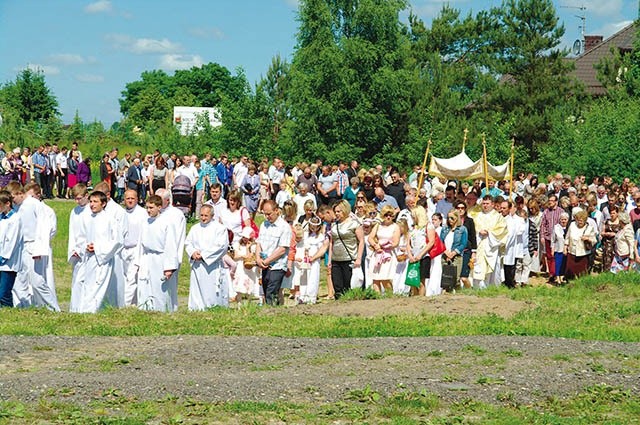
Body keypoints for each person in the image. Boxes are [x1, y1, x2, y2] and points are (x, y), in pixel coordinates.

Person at [6, 182, 59, 311]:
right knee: (19, 281)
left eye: (13, 198)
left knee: (37, 281)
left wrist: (39, 248)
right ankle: (25, 306)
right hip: (20, 248)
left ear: (20, 193)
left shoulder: (34, 204)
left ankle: (53, 308)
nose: (12, 201)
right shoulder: (16, 208)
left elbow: (44, 226)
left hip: (33, 246)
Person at [74, 190, 123, 313]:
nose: (92, 204)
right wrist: (85, 246)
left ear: (104, 203)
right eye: (91, 201)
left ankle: (92, 310)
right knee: (87, 284)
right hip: (88, 258)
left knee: (98, 285)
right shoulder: (87, 218)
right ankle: (84, 309)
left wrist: (98, 248)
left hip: (102, 259)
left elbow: (117, 241)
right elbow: (80, 237)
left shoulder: (110, 220)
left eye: (95, 202)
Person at [137, 195, 180, 312]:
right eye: (147, 208)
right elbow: (140, 243)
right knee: (145, 284)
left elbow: (170, 246)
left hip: (160, 259)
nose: (148, 210)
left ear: (159, 207)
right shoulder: (145, 222)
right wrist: (138, 262)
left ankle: (162, 309)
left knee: (159, 288)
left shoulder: (166, 223)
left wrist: (169, 267)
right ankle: (146, 308)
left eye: (151, 207)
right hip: (147, 258)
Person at [185, 204, 231, 310]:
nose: (203, 218)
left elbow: (221, 246)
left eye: (206, 215)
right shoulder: (195, 228)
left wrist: (204, 255)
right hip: (197, 265)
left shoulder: (220, 229)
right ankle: (196, 308)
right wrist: (193, 253)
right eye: (201, 215)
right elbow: (188, 243)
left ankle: (213, 307)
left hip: (212, 265)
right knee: (197, 289)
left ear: (212, 216)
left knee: (211, 290)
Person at [255, 200, 291, 305]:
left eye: (269, 214)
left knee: (272, 292)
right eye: (265, 214)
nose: (267, 217)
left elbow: (282, 249)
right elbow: (259, 243)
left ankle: (273, 314)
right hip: (264, 265)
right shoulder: (263, 225)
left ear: (276, 211)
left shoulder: (284, 227)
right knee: (266, 292)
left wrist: (266, 261)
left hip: (277, 266)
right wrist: (258, 259)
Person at [329, 200, 365, 297]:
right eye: (335, 211)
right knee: (337, 286)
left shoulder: (354, 224)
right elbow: (331, 242)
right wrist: (329, 260)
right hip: (336, 259)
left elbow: (361, 241)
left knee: (348, 285)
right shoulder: (334, 225)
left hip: (349, 258)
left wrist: (358, 258)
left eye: (339, 211)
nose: (336, 214)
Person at [472, 195, 508, 289]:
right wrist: (478, 231)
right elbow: (472, 229)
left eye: (487, 204)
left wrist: (489, 232)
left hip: (491, 246)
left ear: (492, 204)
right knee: (478, 265)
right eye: (483, 203)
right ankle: (478, 287)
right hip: (479, 244)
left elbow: (502, 230)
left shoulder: (498, 217)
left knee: (492, 267)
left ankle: (491, 287)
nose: (485, 206)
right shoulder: (477, 216)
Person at [67, 184, 91, 312]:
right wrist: (73, 249)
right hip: (77, 251)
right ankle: (75, 308)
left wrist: (84, 248)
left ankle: (83, 308)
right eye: (75, 199)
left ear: (86, 196)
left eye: (80, 198)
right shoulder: (74, 211)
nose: (77, 201)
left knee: (84, 280)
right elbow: (72, 232)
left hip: (87, 250)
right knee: (76, 280)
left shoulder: (90, 211)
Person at [122, 189, 148, 306]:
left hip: (136, 248)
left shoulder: (142, 213)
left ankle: (124, 304)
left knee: (132, 278)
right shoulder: (121, 213)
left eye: (132, 198)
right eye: (128, 198)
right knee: (124, 276)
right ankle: (133, 302)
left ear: (137, 199)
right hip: (123, 249)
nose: (130, 201)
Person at [369, 204, 400, 294]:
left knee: (385, 278)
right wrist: (375, 246)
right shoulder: (378, 225)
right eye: (386, 215)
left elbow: (395, 242)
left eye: (390, 215)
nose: (388, 217)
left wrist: (385, 246)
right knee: (375, 279)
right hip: (377, 254)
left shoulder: (395, 226)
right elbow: (370, 238)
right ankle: (377, 299)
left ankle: (390, 297)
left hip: (388, 255)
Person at [0, 190, 22, 308]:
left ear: (7, 204)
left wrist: (3, 257)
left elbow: (12, 241)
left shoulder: (15, 219)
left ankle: (8, 309)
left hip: (8, 262)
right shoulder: (2, 218)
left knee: (3, 293)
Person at [564, 210, 597, 280]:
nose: (580, 222)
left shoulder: (589, 228)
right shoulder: (572, 225)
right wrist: (565, 247)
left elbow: (594, 240)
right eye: (578, 220)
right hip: (572, 252)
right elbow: (567, 237)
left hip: (583, 253)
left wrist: (587, 239)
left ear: (585, 220)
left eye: (581, 220)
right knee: (570, 270)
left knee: (581, 273)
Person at [440, 210, 468, 290]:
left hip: (456, 256)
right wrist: (446, 252)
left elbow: (463, 244)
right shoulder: (445, 228)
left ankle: (458, 296)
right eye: (448, 218)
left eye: (452, 218)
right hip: (445, 256)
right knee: (446, 278)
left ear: (457, 218)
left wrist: (453, 253)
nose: (450, 220)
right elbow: (440, 242)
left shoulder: (462, 229)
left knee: (456, 279)